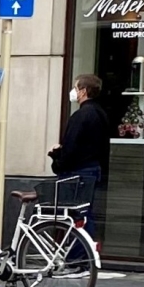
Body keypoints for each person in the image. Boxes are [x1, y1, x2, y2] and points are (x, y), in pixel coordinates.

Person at [52, 74, 114, 239]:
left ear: (83, 91)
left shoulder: (80, 116)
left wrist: (57, 157)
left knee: (77, 214)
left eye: (75, 87)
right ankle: (86, 252)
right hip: (93, 169)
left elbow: (71, 146)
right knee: (85, 212)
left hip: (78, 171)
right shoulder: (101, 113)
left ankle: (79, 254)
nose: (73, 91)